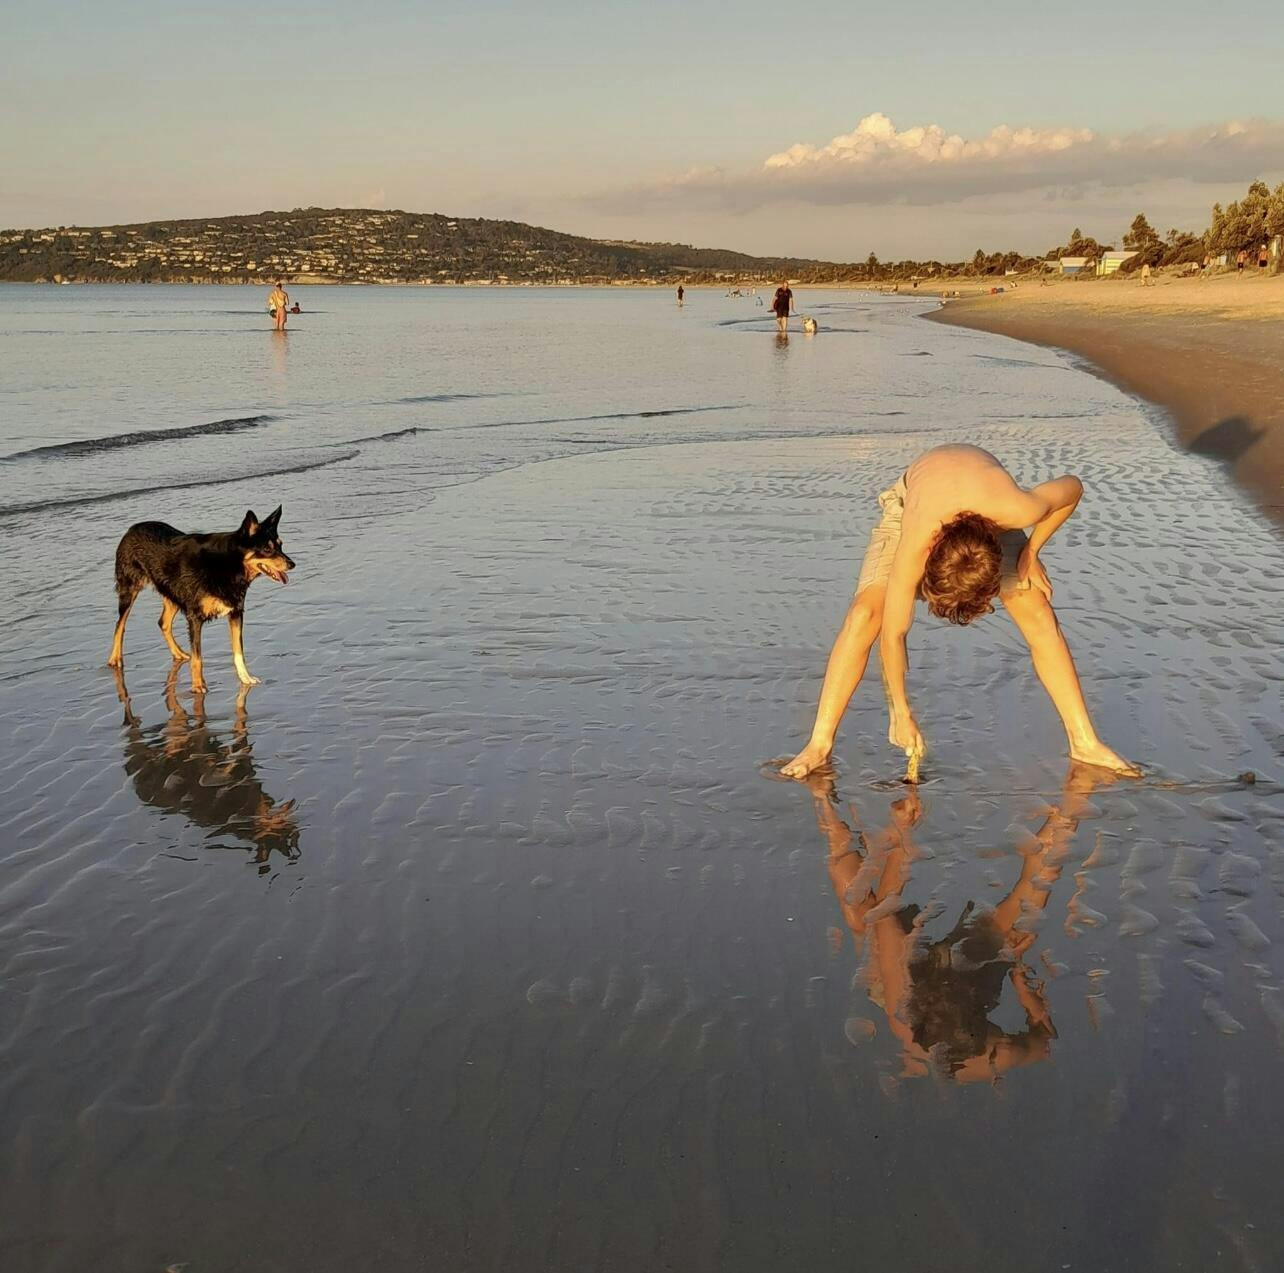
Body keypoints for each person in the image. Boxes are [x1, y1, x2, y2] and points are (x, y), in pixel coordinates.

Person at [781, 444, 1138, 779]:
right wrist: (900, 711)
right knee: (864, 614)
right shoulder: (917, 540)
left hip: (989, 508)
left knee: (1038, 613)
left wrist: (1032, 552)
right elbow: (894, 633)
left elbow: (1073, 488)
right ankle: (818, 745)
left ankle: (1085, 742)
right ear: (929, 558)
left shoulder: (1019, 510)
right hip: (912, 505)